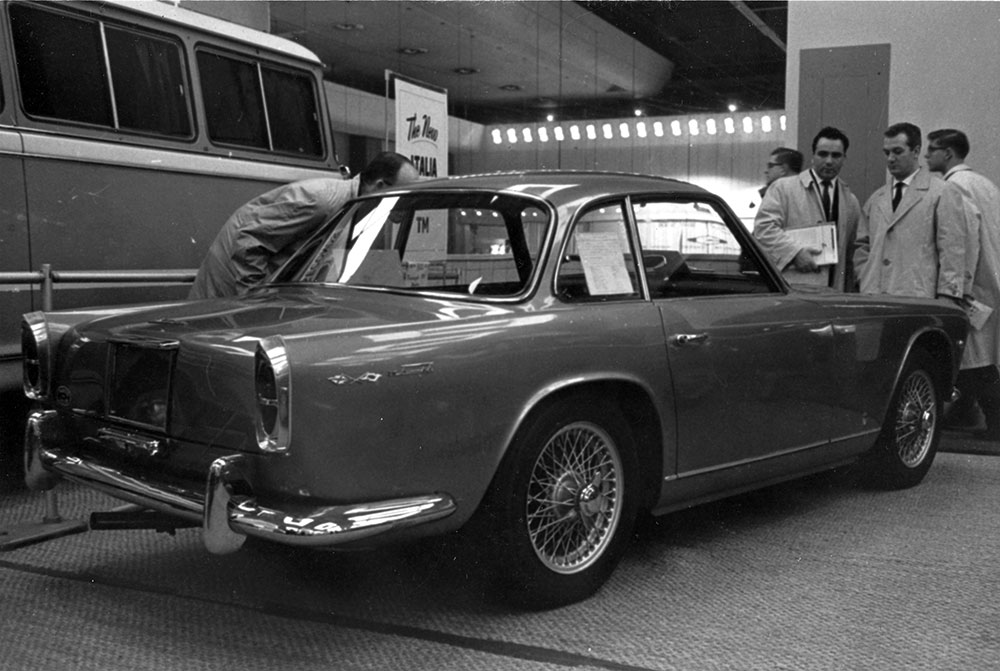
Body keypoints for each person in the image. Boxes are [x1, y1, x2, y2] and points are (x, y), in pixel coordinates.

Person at [189, 152, 420, 299]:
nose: (406, 204)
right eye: (404, 195)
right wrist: (258, 300)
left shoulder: (354, 207)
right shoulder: (321, 200)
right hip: (226, 297)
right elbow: (247, 240)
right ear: (380, 186)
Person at [926, 128, 1000, 440]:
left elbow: (963, 239)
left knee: (972, 359)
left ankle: (995, 422)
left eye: (931, 149)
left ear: (948, 153)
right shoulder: (985, 184)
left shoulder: (954, 186)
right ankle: (972, 414)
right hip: (990, 280)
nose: (927, 155)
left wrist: (959, 289)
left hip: (974, 285)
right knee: (978, 357)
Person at [854, 122, 968, 302]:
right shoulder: (876, 199)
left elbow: (952, 250)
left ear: (915, 151)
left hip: (916, 298)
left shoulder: (941, 192)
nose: (890, 158)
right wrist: (865, 276)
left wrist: (947, 296)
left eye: (897, 152)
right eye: (887, 153)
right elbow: (862, 246)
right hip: (874, 297)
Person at [752, 127, 861, 291]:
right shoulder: (783, 188)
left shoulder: (850, 201)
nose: (829, 161)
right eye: (823, 154)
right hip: (792, 290)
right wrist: (794, 253)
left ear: (844, 158)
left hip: (833, 293)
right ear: (813, 156)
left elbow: (851, 253)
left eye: (836, 155)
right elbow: (764, 229)